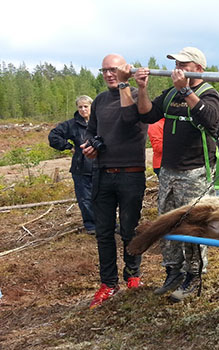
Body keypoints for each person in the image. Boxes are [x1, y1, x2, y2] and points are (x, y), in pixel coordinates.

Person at [129, 47, 219, 302]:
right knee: (166, 223)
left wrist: (186, 90)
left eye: (185, 63)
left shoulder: (209, 94)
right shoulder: (170, 94)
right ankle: (172, 271)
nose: (178, 68)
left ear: (199, 68)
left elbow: (211, 121)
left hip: (195, 173)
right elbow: (147, 113)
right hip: (169, 172)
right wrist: (143, 88)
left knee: (192, 226)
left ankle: (194, 275)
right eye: (176, 63)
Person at [81, 54, 148, 309]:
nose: (109, 74)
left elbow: (132, 119)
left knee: (130, 230)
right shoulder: (98, 100)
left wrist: (124, 85)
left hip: (131, 173)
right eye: (104, 70)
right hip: (102, 173)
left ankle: (133, 276)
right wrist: (89, 146)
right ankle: (108, 283)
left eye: (113, 70)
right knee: (104, 233)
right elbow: (91, 131)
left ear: (125, 70)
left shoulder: (134, 94)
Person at [48, 95, 96, 235]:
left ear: (91, 107)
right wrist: (68, 146)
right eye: (80, 107)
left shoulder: (98, 122)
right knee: (85, 198)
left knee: (103, 197)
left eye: (86, 106)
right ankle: (91, 225)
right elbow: (53, 136)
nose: (83, 109)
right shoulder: (71, 124)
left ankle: (107, 222)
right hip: (81, 167)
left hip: (100, 166)